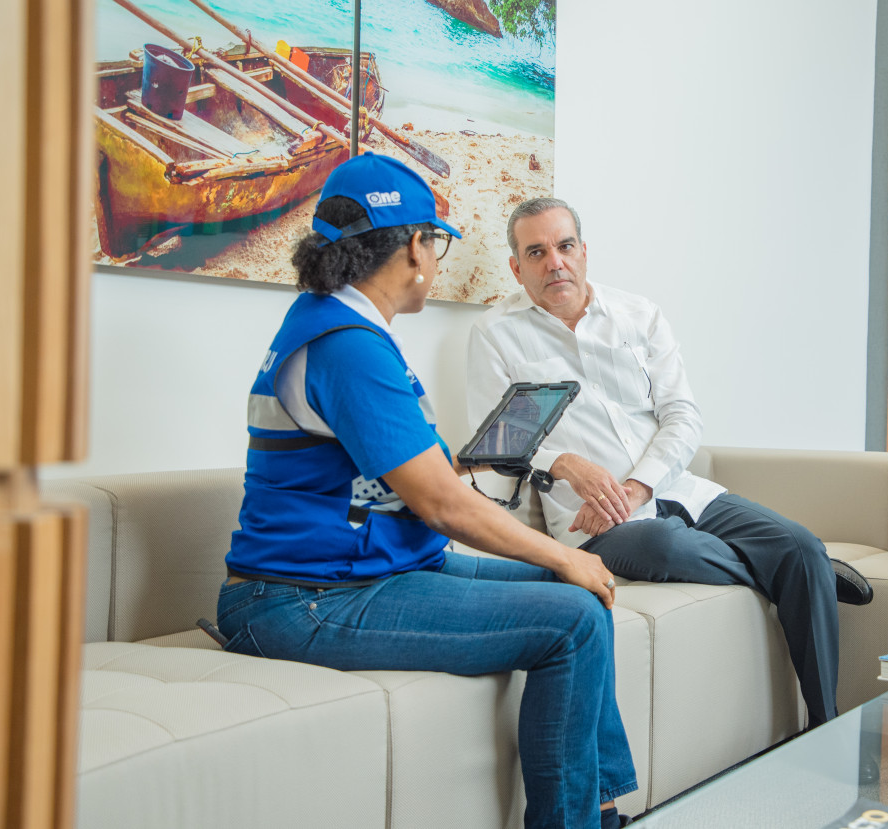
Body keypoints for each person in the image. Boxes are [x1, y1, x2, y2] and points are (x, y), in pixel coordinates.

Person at [216, 154, 637, 829]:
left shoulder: (341, 324)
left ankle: (602, 806)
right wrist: (565, 553)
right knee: (575, 613)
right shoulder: (348, 344)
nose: (434, 260)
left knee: (580, 593)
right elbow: (438, 504)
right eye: (435, 244)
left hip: (359, 574)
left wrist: (474, 462)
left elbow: (409, 473)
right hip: (302, 599)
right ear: (415, 246)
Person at [466, 197, 873, 729]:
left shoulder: (639, 314)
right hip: (595, 524)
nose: (555, 263)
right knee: (667, 544)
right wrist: (565, 463)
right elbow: (494, 445)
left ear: (584, 251)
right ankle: (802, 574)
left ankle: (825, 725)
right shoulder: (495, 334)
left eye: (565, 246)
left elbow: (682, 416)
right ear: (517, 267)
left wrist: (639, 485)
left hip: (677, 488)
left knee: (797, 543)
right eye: (536, 253)